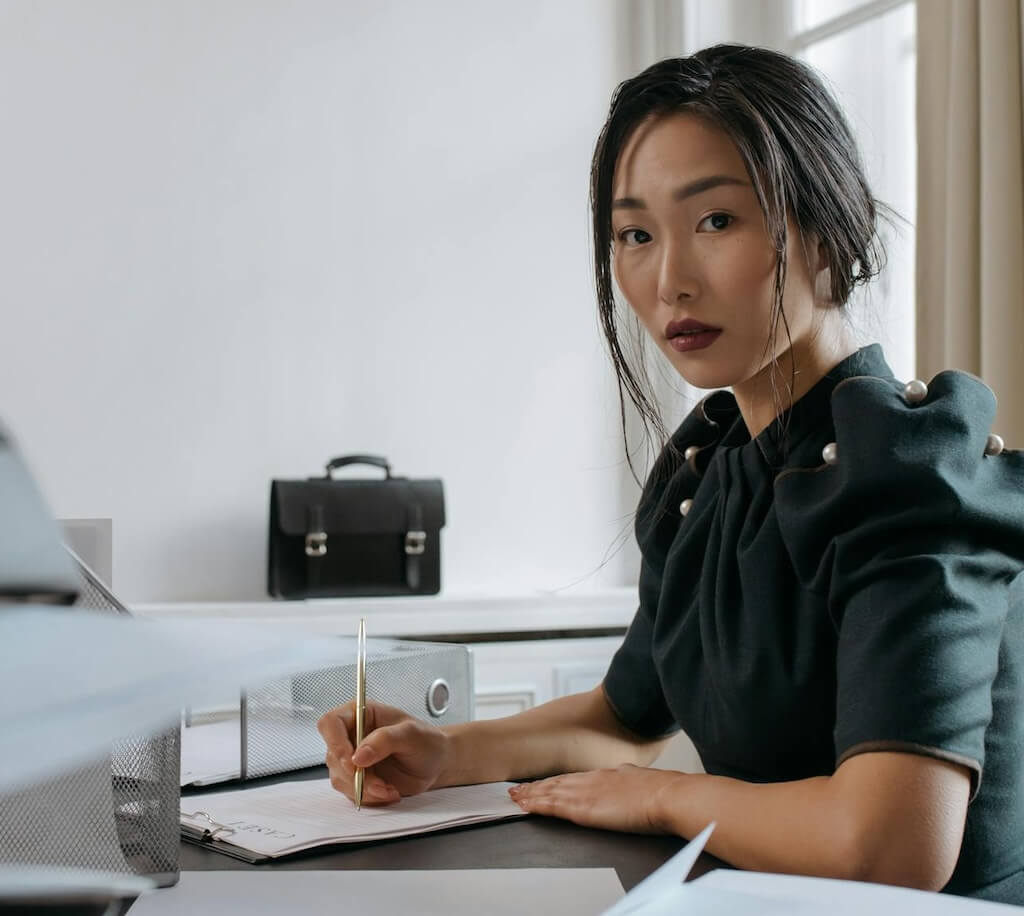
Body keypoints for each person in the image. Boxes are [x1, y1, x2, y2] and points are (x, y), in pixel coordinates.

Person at [317, 44, 1024, 903]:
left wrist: (664, 798)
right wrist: (445, 751)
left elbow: (891, 846)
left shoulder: (908, 479)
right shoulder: (710, 473)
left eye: (716, 221)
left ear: (830, 236)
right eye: (635, 235)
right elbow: (623, 719)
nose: (668, 279)